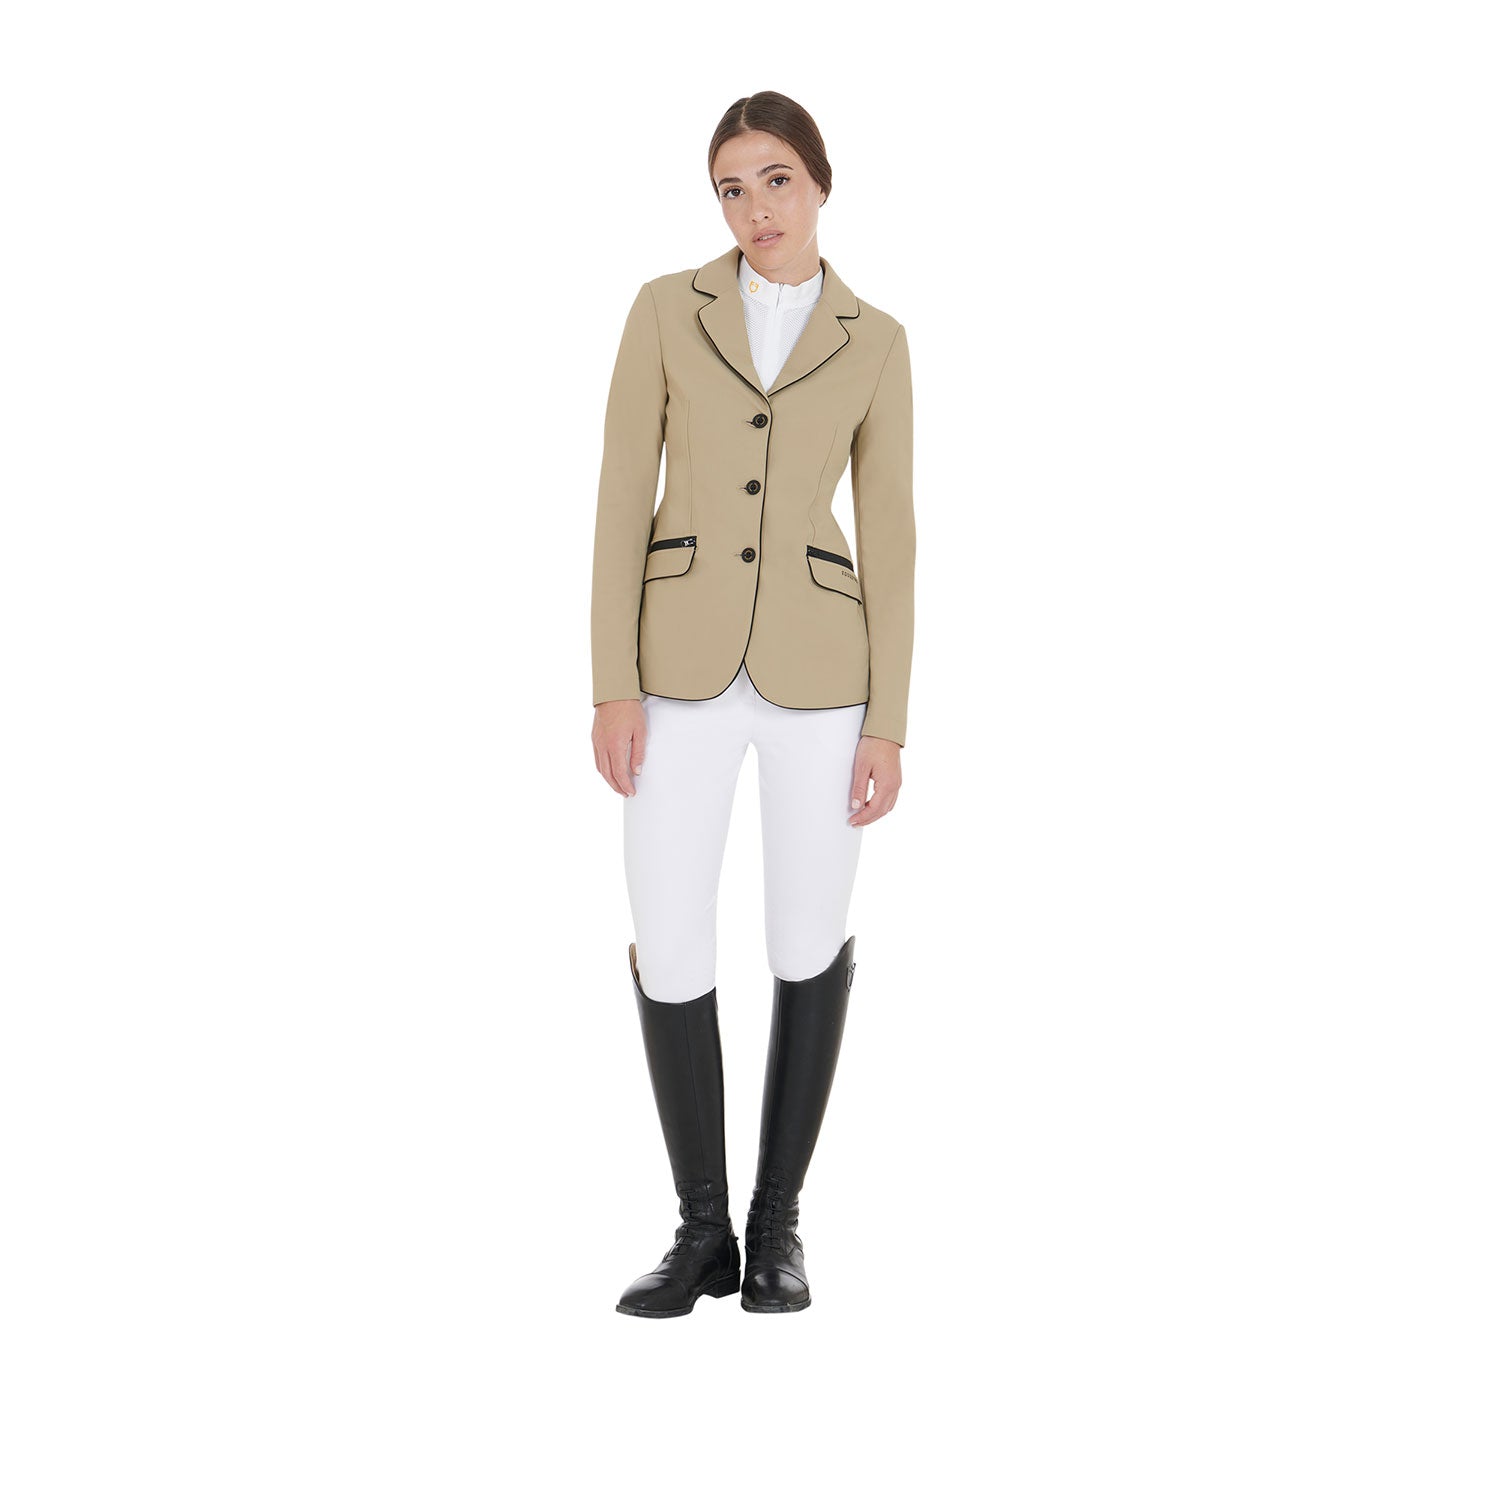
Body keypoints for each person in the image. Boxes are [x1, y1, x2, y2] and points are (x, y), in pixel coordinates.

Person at [590, 91, 915, 1317]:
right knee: (669, 937)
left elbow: (893, 536)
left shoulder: (877, 339)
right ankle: (701, 1234)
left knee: (804, 937)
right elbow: (622, 495)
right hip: (675, 670)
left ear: (820, 182)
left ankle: (779, 1229)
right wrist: (610, 683)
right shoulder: (662, 310)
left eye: (776, 180)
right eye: (732, 188)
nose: (755, 209)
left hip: (823, 677)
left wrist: (890, 719)